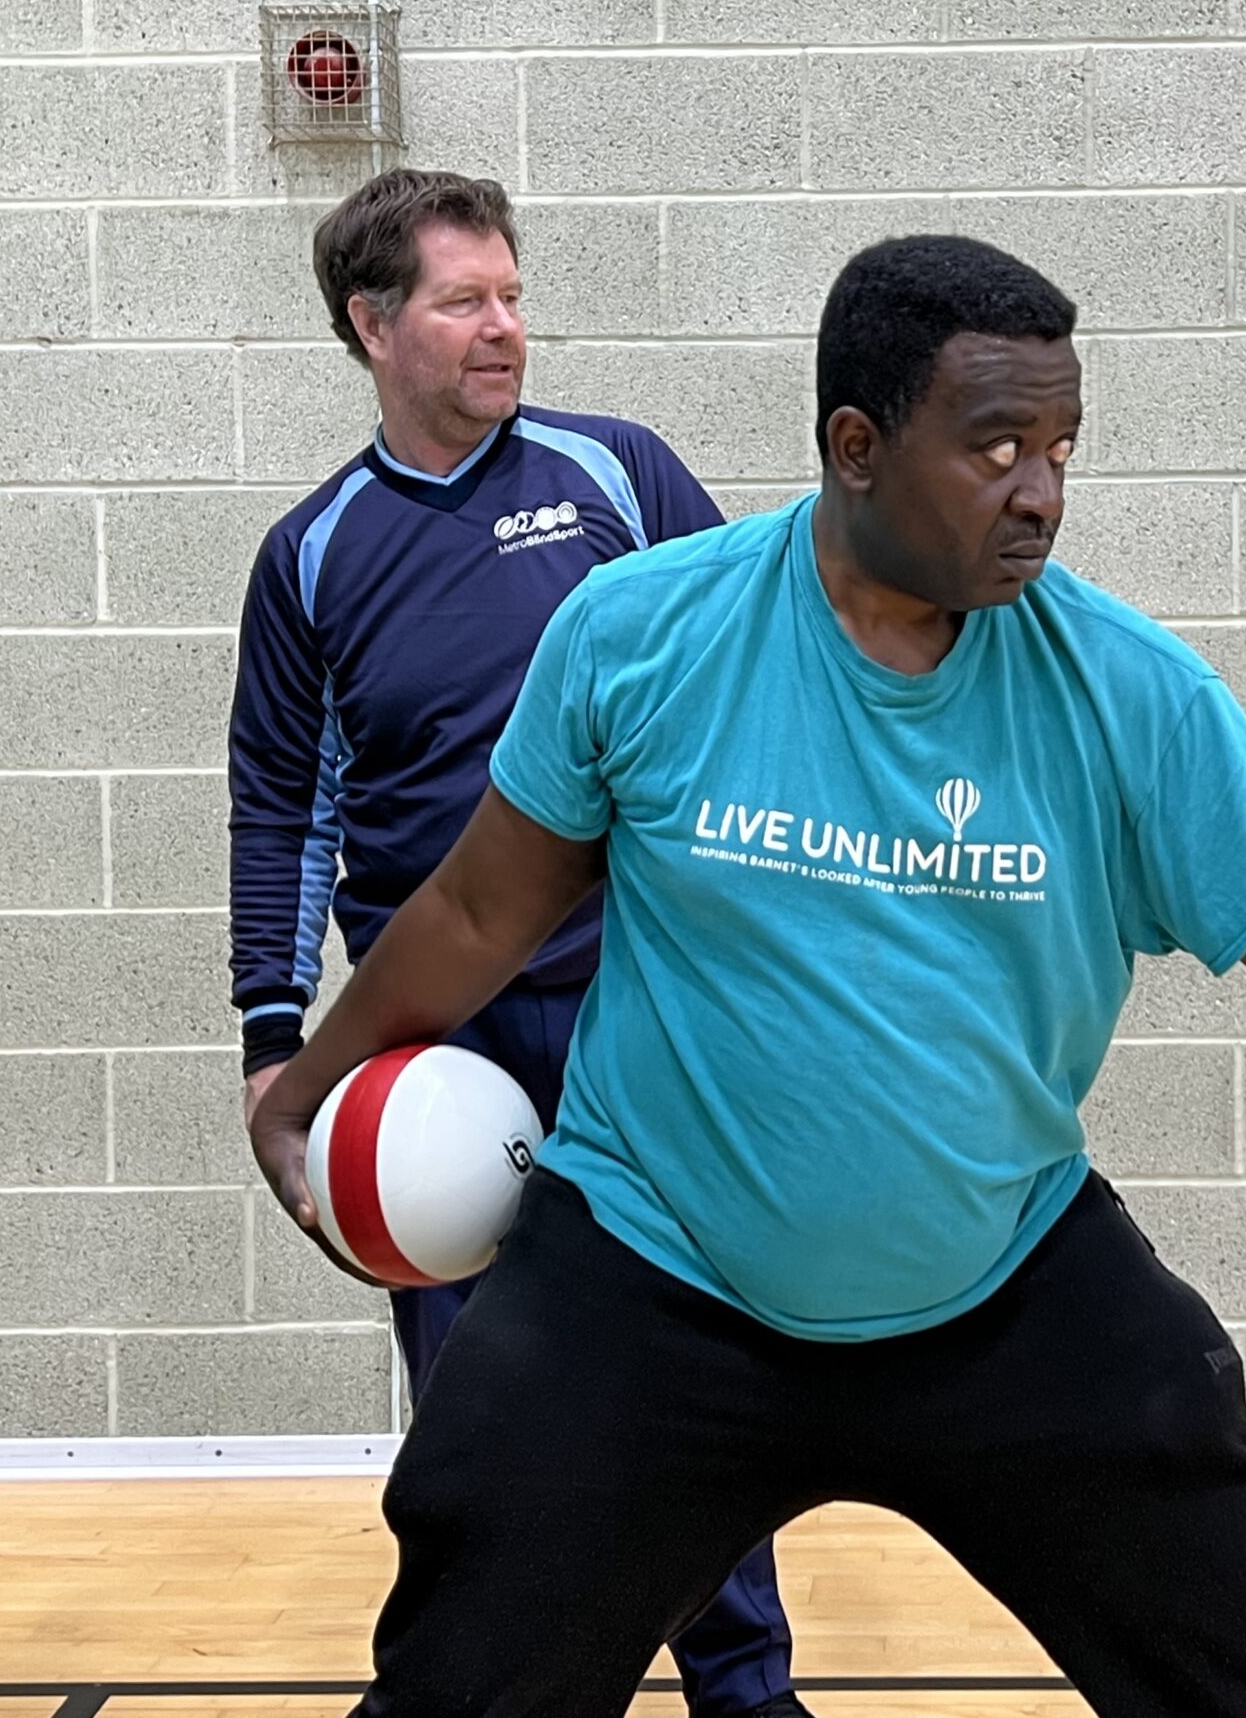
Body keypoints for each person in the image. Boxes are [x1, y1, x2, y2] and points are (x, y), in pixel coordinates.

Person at [249, 235, 1246, 1718]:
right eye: (995, 447)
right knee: (462, 1667)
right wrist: (303, 1088)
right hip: (655, 1274)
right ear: (857, 445)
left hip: (999, 1282)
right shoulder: (646, 633)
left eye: (1062, 445)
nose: (1040, 491)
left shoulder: (1130, 695)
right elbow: (475, 911)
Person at [226, 168, 809, 1718]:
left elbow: (765, 687)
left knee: (693, 1381)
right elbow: (281, 811)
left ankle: (747, 1695)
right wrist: (274, 1043)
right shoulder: (314, 556)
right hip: (436, 1053)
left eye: (513, 294)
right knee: (493, 1421)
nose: (506, 328)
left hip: (647, 1024)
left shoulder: (620, 477)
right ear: (372, 326)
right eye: (465, 301)